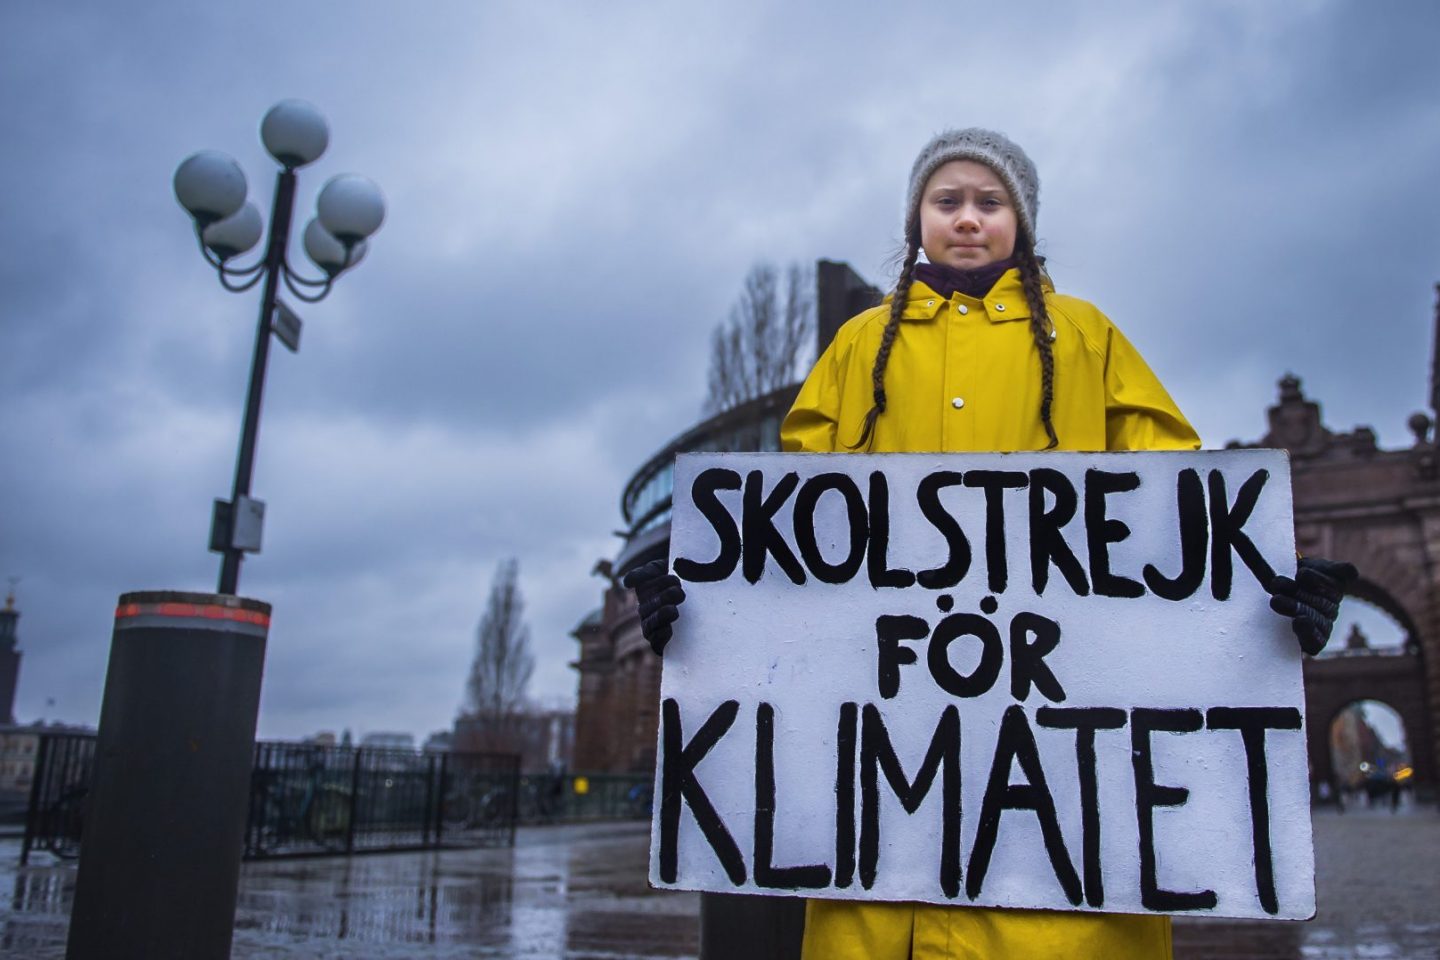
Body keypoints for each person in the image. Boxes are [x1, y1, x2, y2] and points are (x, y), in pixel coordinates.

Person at [626, 128, 1356, 959]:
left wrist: (1261, 591)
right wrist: (709, 607)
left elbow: (1172, 515)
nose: (967, 219)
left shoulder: (1090, 339)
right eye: (947, 201)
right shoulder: (858, 348)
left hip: (1067, 884)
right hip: (879, 872)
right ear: (916, 221)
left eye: (989, 201)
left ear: (1023, 221)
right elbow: (796, 539)